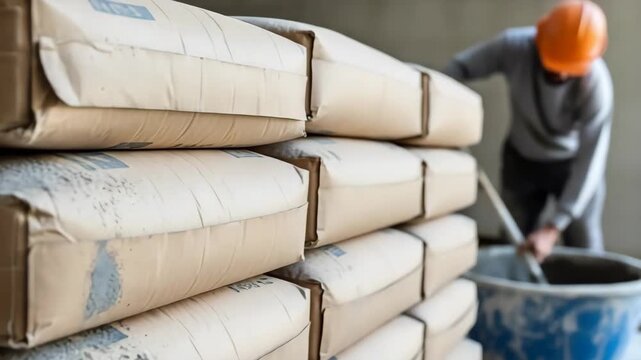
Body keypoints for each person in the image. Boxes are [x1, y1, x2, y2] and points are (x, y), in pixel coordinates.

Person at [444, 0, 613, 262]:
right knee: (514, 248)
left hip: (572, 167)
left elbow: (592, 158)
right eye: (555, 66)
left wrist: (553, 227)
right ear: (540, 39)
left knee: (586, 250)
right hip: (522, 160)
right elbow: (457, 69)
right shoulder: (514, 47)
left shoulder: (596, 86)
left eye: (570, 69)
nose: (562, 75)